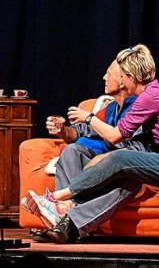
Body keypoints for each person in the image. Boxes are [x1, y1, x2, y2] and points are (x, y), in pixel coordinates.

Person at [29, 44, 159, 243]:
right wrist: (68, 129)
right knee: (76, 152)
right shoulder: (151, 94)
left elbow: (116, 136)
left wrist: (89, 118)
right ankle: (64, 221)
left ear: (131, 77)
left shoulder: (150, 97)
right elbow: (98, 132)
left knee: (121, 160)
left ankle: (58, 199)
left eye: (123, 76)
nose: (122, 81)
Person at [24, 59, 150, 240]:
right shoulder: (111, 108)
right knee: (72, 151)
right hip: (103, 164)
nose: (104, 77)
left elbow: (133, 148)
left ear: (123, 80)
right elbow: (82, 132)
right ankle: (61, 218)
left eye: (109, 74)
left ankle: (69, 223)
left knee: (128, 180)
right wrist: (63, 130)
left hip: (130, 167)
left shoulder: (139, 108)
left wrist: (92, 123)